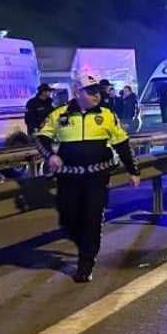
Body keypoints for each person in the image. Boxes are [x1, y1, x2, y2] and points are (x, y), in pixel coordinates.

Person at [35, 75, 140, 283]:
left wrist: (133, 170)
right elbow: (41, 137)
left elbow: (122, 143)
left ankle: (86, 262)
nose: (96, 95)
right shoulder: (60, 114)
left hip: (97, 177)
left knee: (93, 218)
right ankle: (83, 244)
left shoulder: (107, 115)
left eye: (97, 91)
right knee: (68, 218)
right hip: (69, 178)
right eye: (90, 92)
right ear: (78, 93)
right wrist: (50, 156)